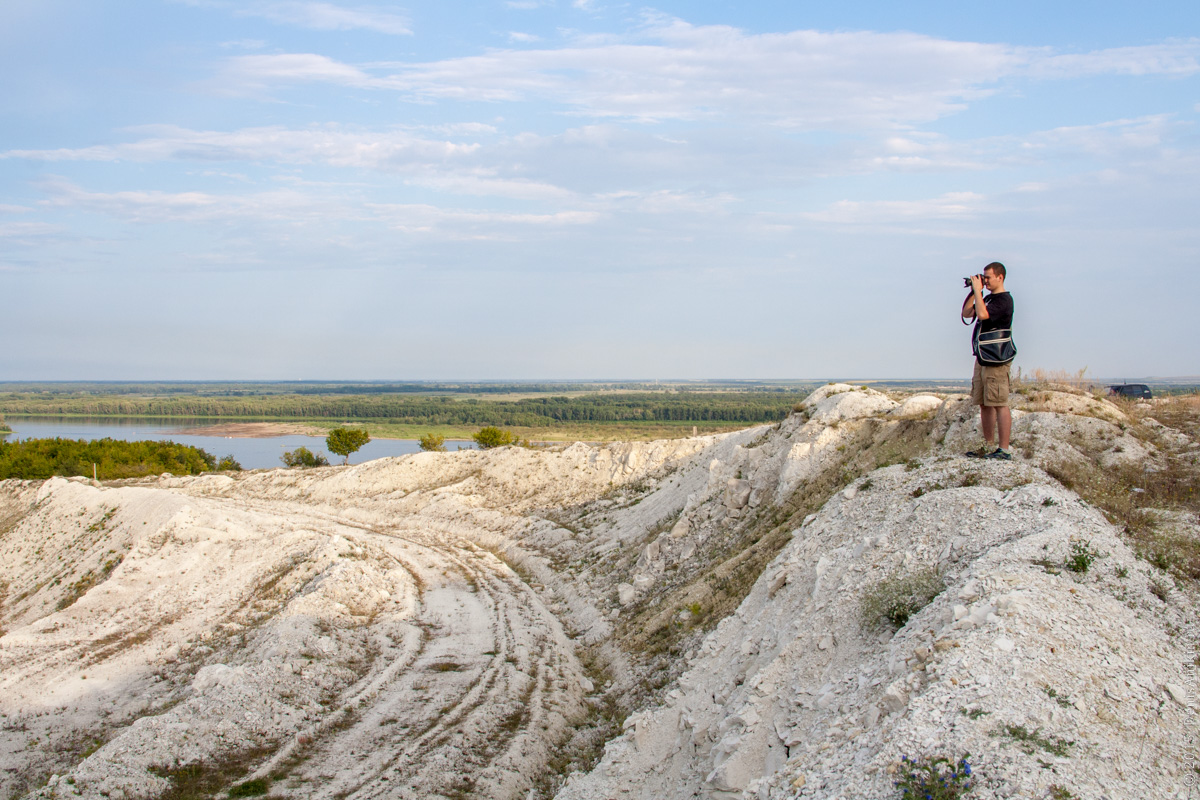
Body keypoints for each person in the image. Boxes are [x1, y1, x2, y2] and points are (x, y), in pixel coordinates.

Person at [960, 262, 1014, 460]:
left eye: (988, 277)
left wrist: (978, 291)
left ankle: (1004, 449)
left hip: (997, 357)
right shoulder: (988, 298)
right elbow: (967, 314)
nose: (986, 281)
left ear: (1000, 277)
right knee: (984, 402)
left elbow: (983, 315)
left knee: (999, 402)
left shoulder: (1004, 300)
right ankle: (988, 445)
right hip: (983, 356)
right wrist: (976, 293)